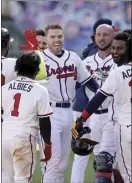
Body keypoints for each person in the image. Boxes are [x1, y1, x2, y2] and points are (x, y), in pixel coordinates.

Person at [38, 24, 99, 183]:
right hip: (48, 113)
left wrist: (103, 94)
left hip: (68, 112)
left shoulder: (73, 57)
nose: (57, 40)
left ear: (63, 37)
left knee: (63, 164)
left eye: (59, 36)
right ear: (46, 38)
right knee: (52, 161)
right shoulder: (38, 59)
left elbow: (87, 81)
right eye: (52, 37)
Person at [72, 31, 132, 183]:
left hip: (123, 127)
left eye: (120, 49)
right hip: (114, 124)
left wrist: (80, 119)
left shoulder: (118, 72)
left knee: (114, 167)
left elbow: (99, 97)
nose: (115, 52)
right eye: (114, 48)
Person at [2, 51, 53, 183]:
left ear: (17, 68)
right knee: (22, 179)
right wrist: (47, 144)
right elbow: (44, 121)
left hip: (3, 136)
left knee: (6, 178)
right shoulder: (40, 90)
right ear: (36, 69)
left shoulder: (4, 88)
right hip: (24, 137)